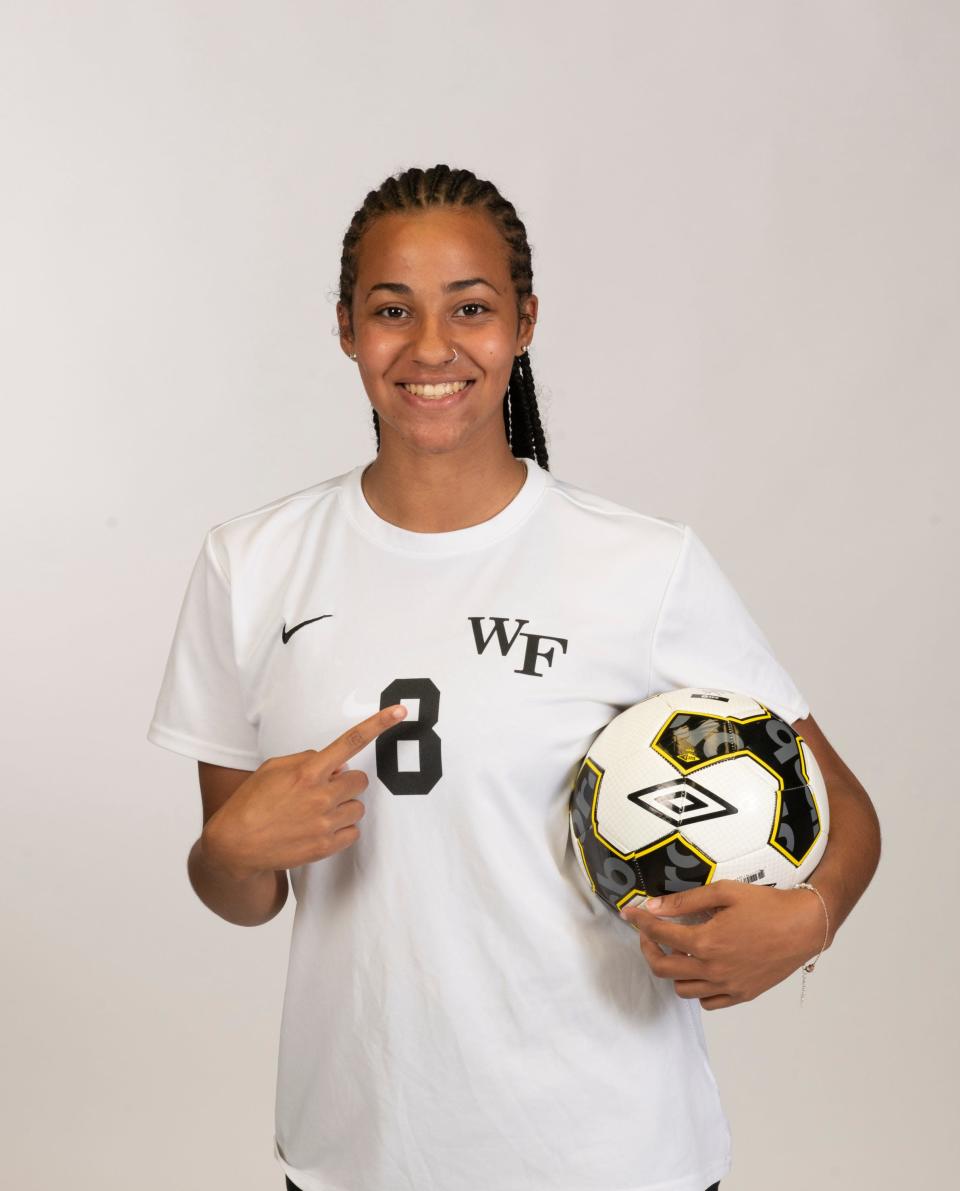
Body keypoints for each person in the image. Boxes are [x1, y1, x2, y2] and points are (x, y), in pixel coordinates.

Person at [147, 164, 880, 1191]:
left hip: (616, 1152)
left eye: (472, 309)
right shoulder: (251, 563)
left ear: (524, 322)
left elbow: (843, 805)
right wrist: (226, 848)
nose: (432, 347)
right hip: (361, 1152)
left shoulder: (639, 564)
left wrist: (813, 917)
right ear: (348, 329)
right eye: (392, 310)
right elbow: (242, 891)